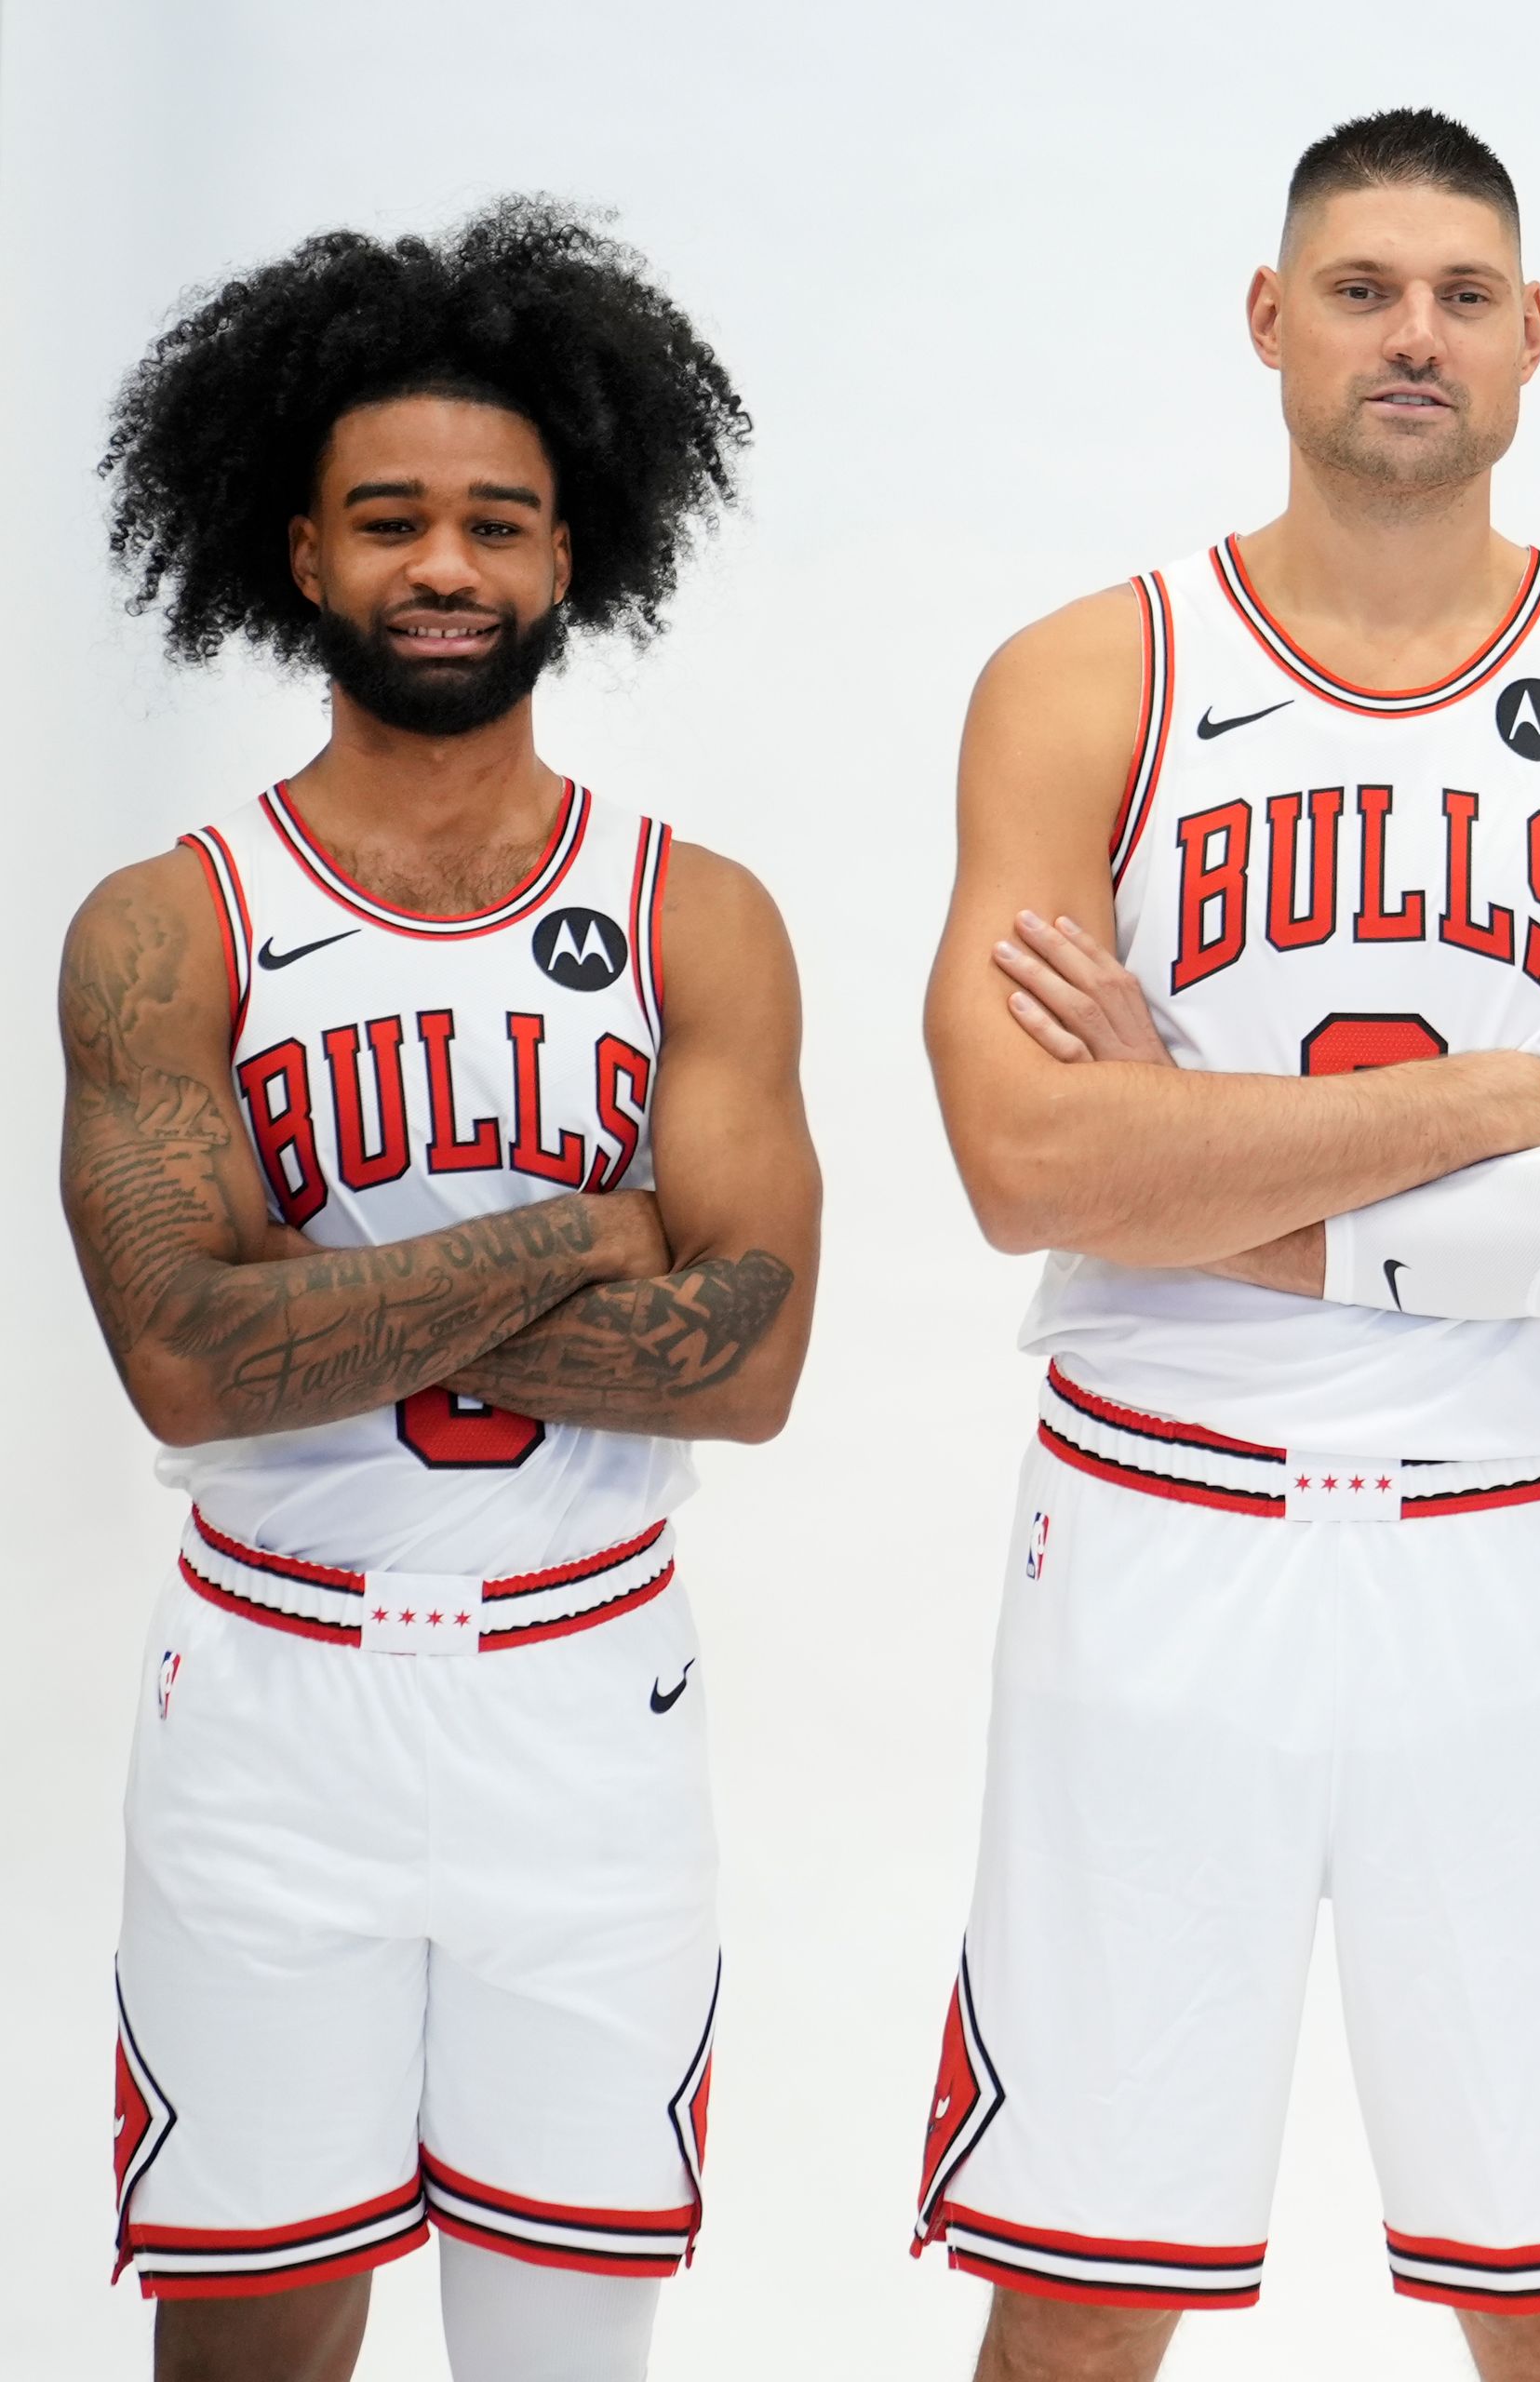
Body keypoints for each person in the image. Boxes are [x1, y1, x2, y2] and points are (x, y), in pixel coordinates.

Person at [915, 108, 1540, 2382]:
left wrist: (1194, 1151)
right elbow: (1024, 1169)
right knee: (1083, 2280)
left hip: (1531, 1555)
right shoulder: (1085, 674)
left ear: (1531, 343)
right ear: (1269, 319)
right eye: (1364, 288)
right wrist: (1516, 1097)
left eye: (1462, 295)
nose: (1415, 334)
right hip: (1156, 1535)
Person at [62, 198, 821, 2382]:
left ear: (576, 556)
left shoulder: (698, 914)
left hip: (585, 1713)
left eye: (500, 520)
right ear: (297, 553)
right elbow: (188, 1365)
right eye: (388, 518)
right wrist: (582, 1227)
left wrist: (328, 1278)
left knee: (567, 2349)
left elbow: (752, 1360)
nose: (446, 565)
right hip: (271, 1711)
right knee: (248, 2348)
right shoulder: (165, 924)